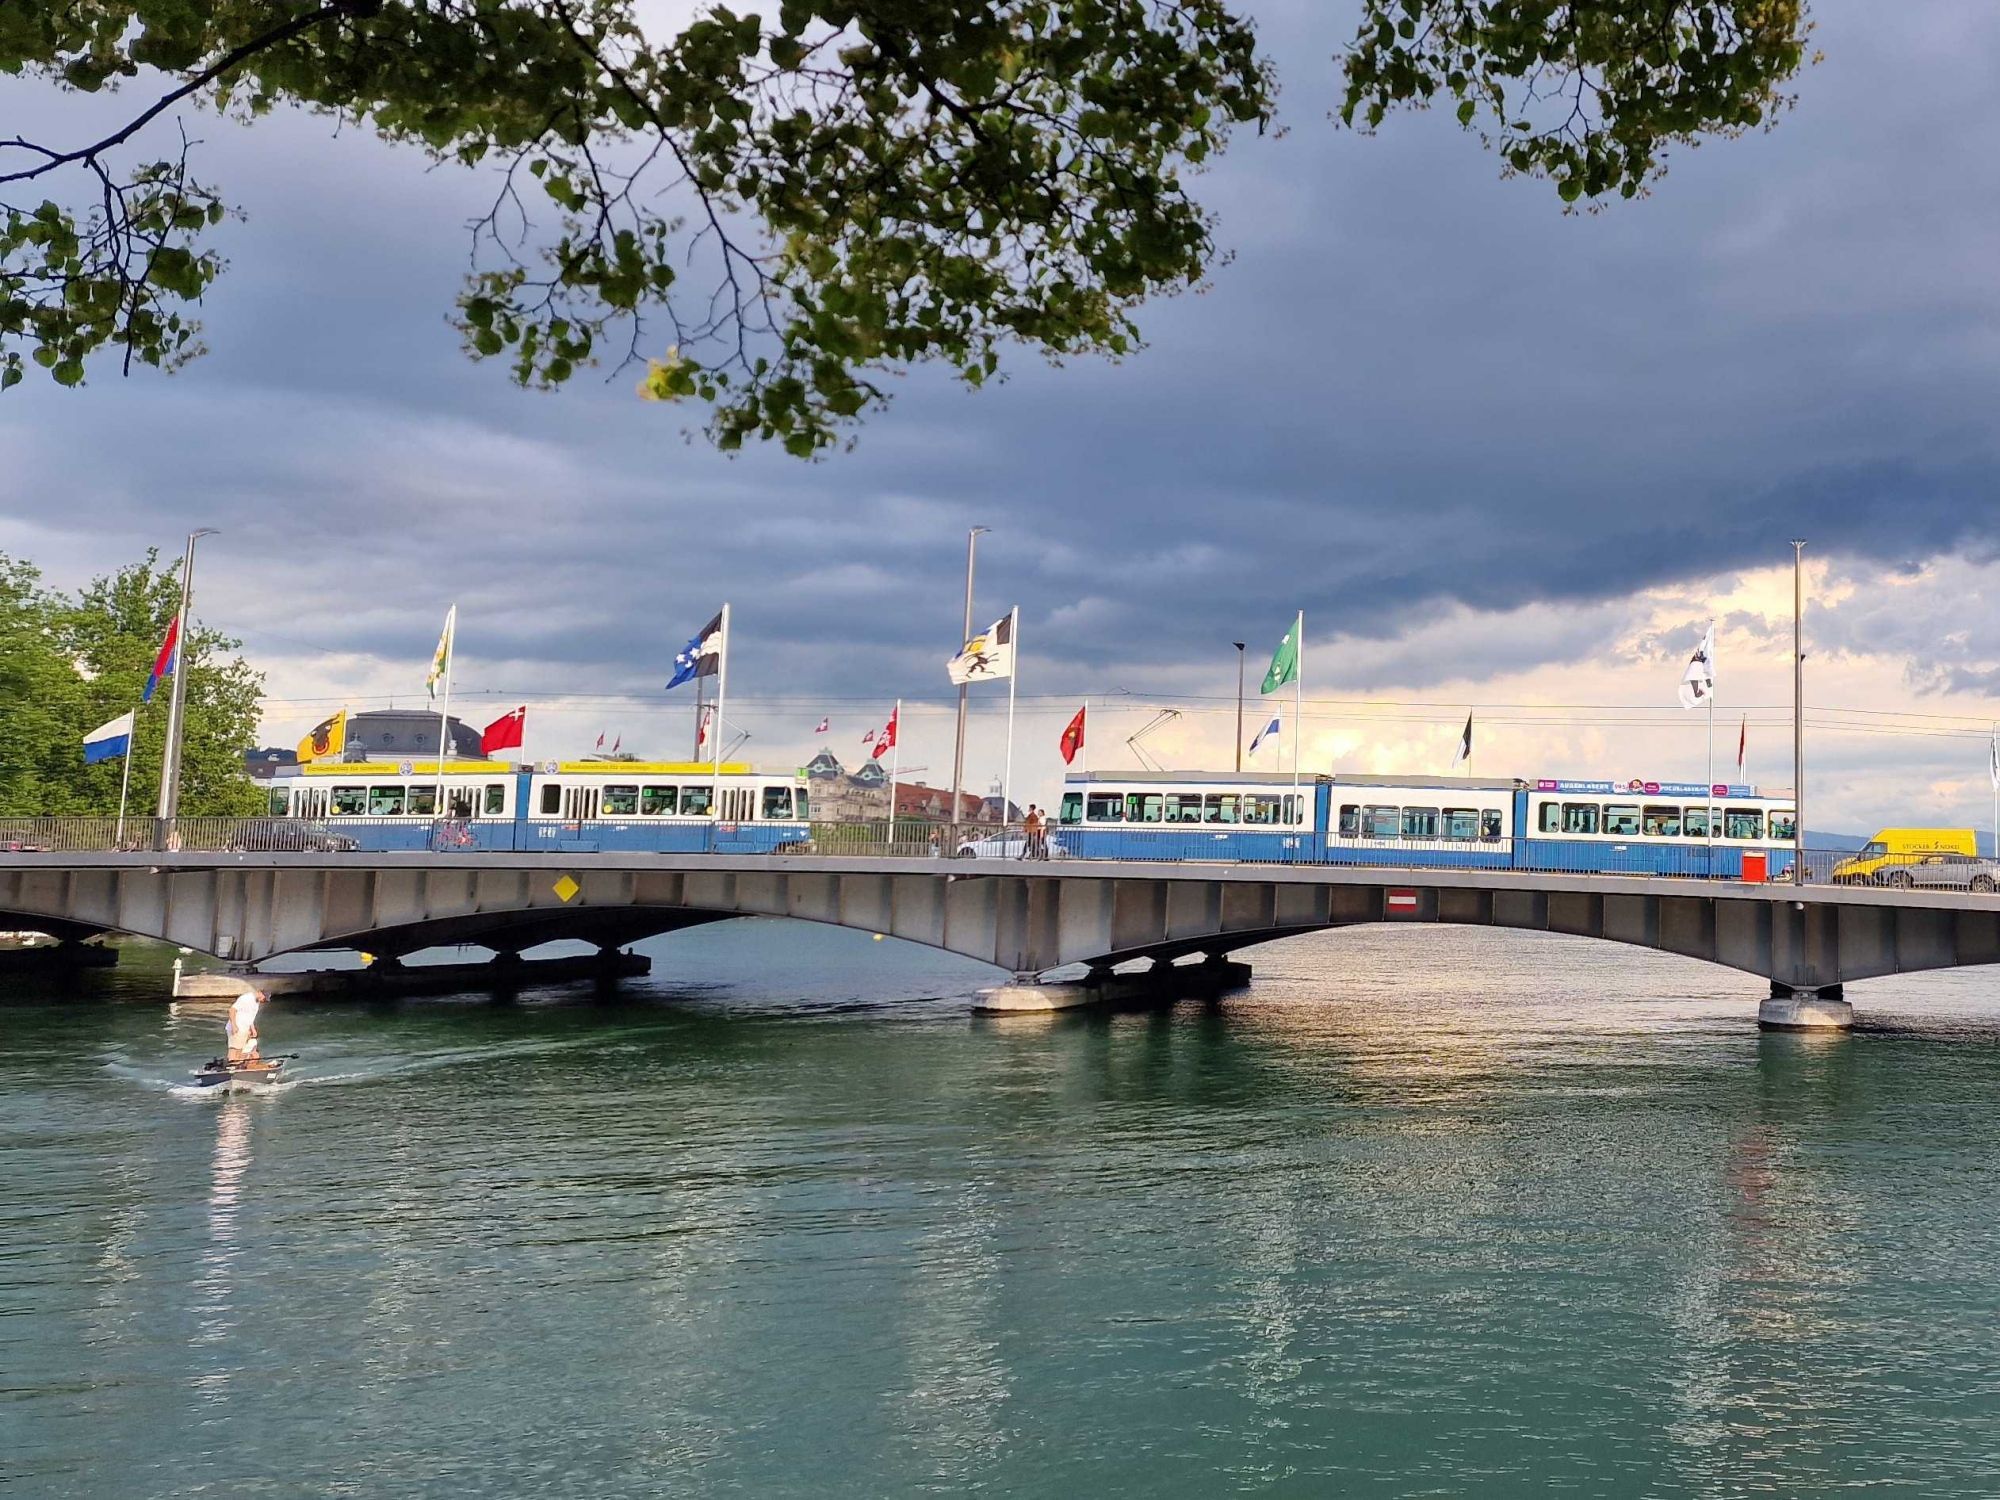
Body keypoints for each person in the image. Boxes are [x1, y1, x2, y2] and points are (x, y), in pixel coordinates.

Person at [224, 988, 265, 1065]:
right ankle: (231, 1069)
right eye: (264, 997)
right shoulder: (246, 998)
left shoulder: (257, 1003)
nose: (264, 1000)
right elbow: (232, 1010)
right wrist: (234, 1025)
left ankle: (238, 1069)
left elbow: (250, 1017)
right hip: (237, 1028)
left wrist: (252, 1029)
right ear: (259, 992)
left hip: (244, 1029)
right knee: (234, 1050)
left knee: (240, 1052)